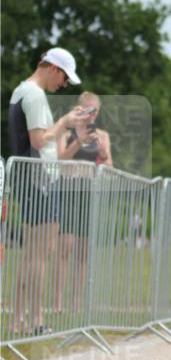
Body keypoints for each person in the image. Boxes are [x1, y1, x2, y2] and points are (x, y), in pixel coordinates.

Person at [8, 47, 83, 334]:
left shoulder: (22, 90)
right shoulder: (35, 95)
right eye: (64, 77)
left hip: (31, 180)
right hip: (38, 181)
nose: (63, 84)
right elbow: (39, 141)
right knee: (39, 254)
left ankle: (18, 320)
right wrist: (65, 122)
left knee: (31, 255)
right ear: (52, 67)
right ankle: (36, 320)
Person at [59, 92, 113, 312]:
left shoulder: (102, 134)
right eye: (87, 110)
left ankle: (76, 304)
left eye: (95, 111)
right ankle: (58, 304)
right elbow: (60, 159)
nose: (91, 115)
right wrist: (80, 141)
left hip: (90, 193)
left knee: (83, 253)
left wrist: (103, 151)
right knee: (64, 249)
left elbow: (110, 166)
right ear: (79, 109)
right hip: (68, 191)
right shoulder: (66, 132)